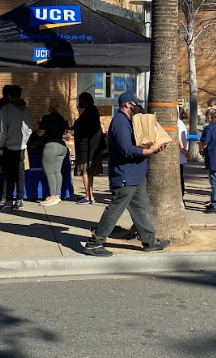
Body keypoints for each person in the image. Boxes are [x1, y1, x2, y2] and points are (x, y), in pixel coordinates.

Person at [83, 91, 170, 257]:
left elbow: (138, 145)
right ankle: (94, 243)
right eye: (136, 104)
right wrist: (147, 151)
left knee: (141, 208)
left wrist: (153, 149)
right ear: (127, 105)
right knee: (114, 210)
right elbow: (126, 150)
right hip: (125, 175)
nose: (138, 106)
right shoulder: (120, 123)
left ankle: (149, 242)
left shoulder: (131, 122)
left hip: (135, 175)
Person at [0, 86, 32, 212]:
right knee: (20, 173)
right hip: (21, 146)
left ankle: (8, 200)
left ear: (9, 96)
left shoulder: (6, 109)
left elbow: (2, 129)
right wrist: (24, 142)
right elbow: (29, 129)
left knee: (8, 174)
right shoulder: (26, 110)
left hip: (8, 145)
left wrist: (0, 144)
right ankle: (20, 200)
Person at [72, 92, 104, 205]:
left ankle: (87, 196)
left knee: (85, 171)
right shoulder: (93, 110)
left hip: (85, 146)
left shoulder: (88, 112)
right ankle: (90, 195)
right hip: (92, 145)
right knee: (89, 171)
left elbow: (78, 125)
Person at [36, 99, 70, 207]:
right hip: (62, 146)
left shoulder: (47, 118)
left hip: (51, 146)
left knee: (49, 172)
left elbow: (40, 133)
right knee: (57, 172)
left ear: (49, 106)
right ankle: (56, 195)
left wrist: (39, 125)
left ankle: (52, 196)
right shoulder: (61, 118)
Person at [177, 106, 189, 202]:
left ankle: (181, 195)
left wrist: (183, 150)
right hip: (181, 153)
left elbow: (178, 139)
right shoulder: (181, 123)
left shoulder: (178, 123)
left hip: (179, 153)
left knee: (179, 176)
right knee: (180, 176)